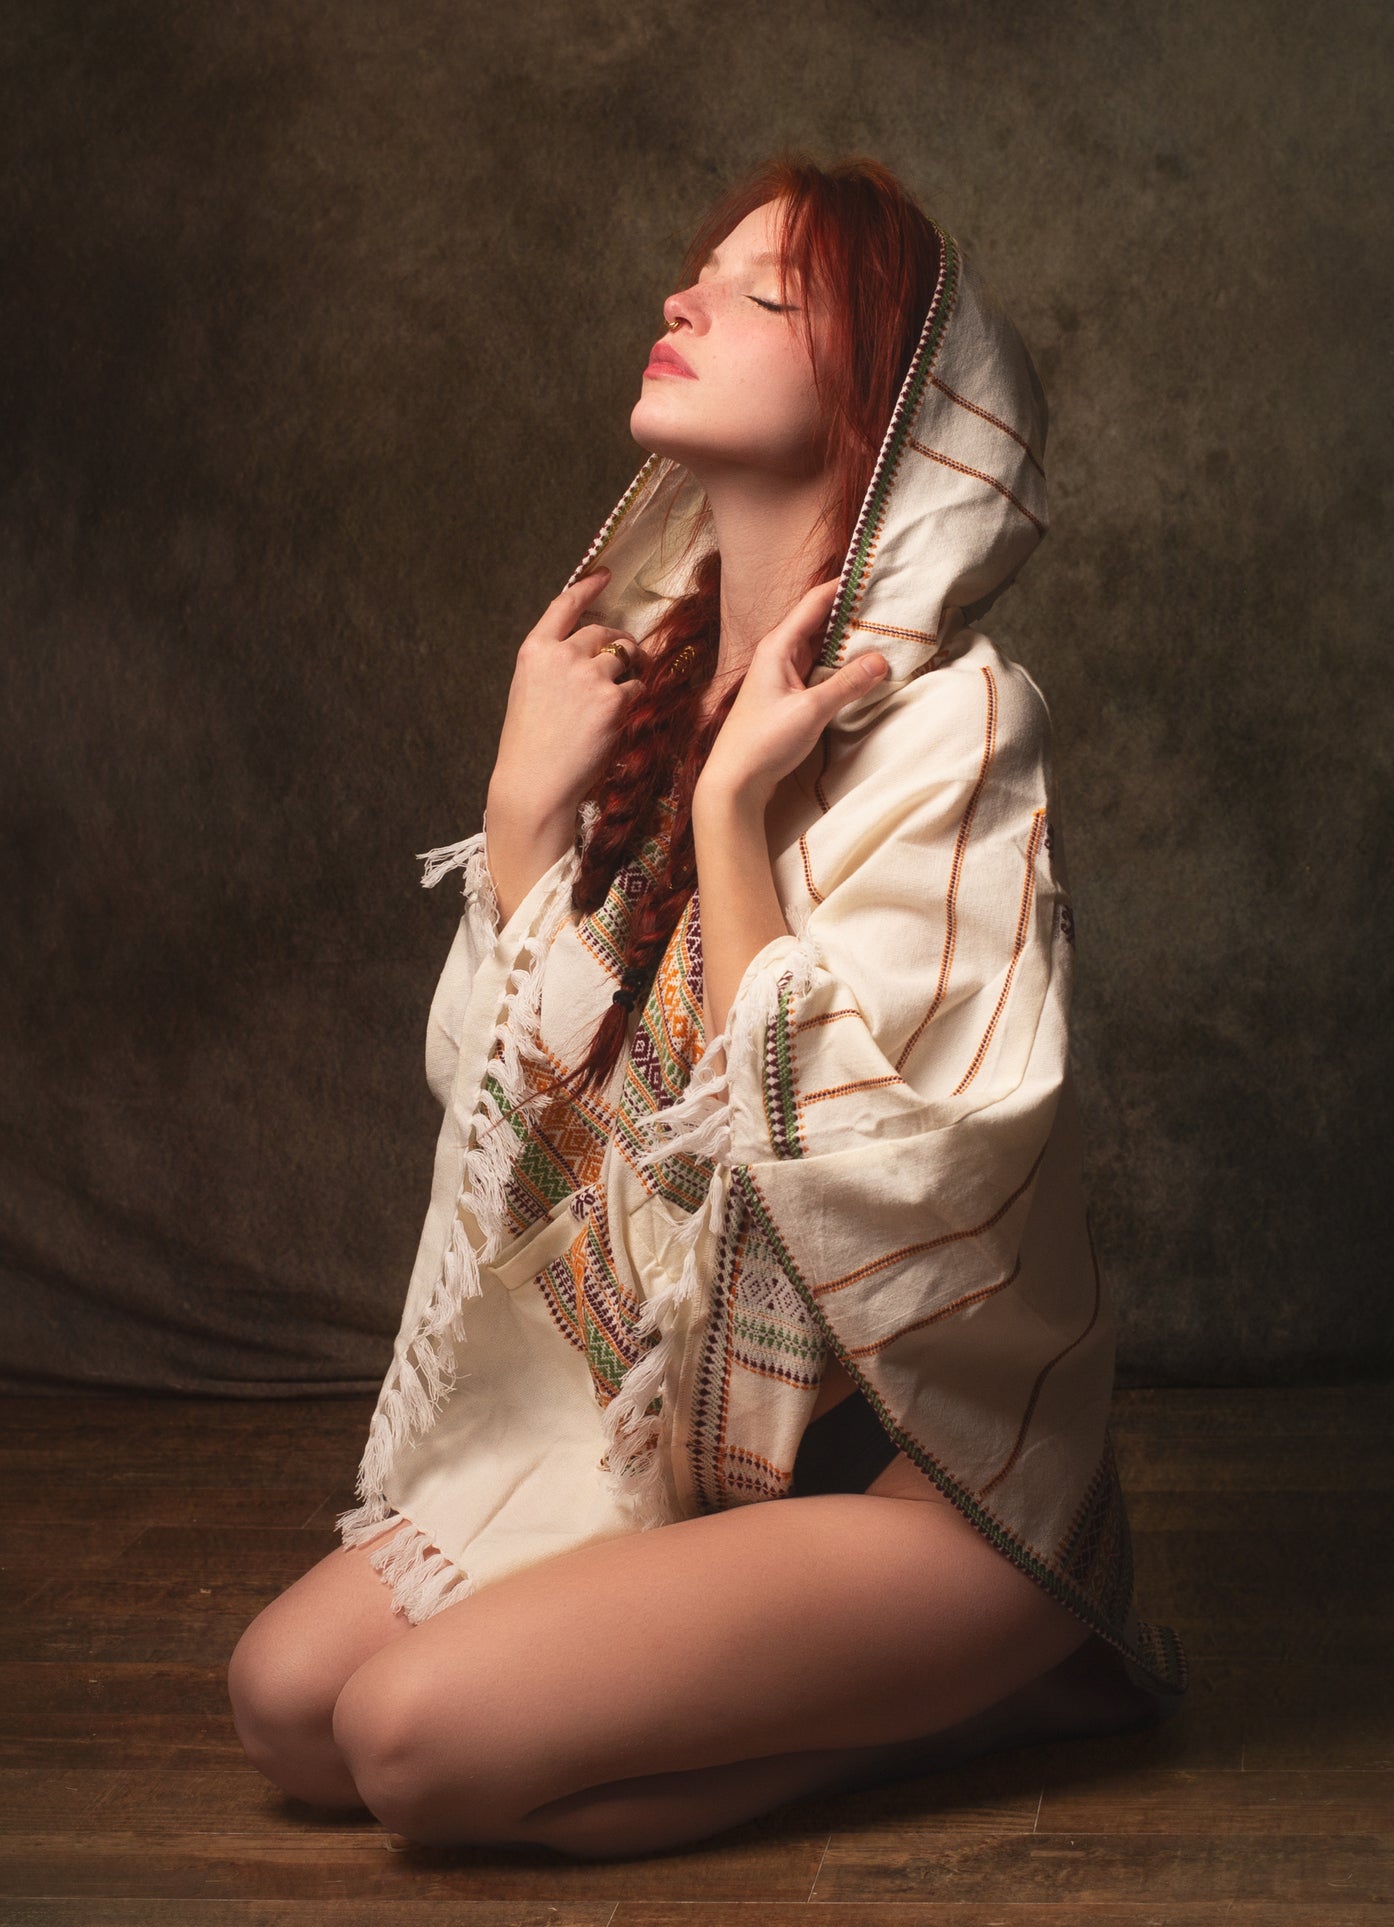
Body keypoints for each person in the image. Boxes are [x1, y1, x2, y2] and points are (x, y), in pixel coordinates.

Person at [227, 152, 1188, 1861]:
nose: (685, 297)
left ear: (880, 402)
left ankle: (1010, 1673)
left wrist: (738, 820)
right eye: (703, 273)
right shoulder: (655, 694)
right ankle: (828, 1675)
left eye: (764, 294)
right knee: (287, 1706)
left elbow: (869, 1176)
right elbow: (534, 1136)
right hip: (685, 1447)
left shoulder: (955, 723)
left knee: (414, 1749)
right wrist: (521, 815)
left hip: (918, 1483)